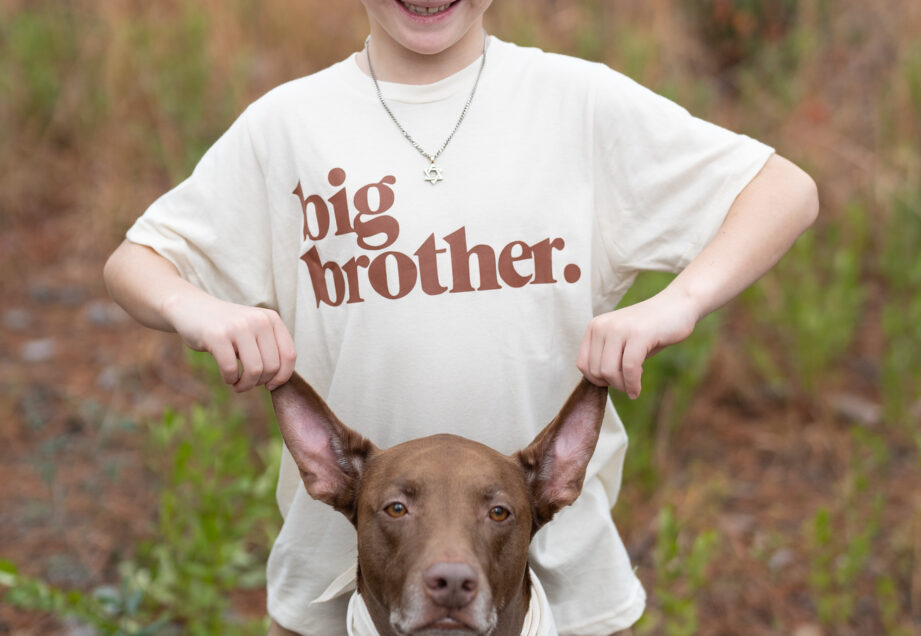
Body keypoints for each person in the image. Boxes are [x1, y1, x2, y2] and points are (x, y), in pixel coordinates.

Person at [103, 1, 818, 634]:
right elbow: (136, 263)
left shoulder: (576, 102)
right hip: (343, 585)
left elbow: (782, 190)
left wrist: (676, 303)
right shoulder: (288, 125)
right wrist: (198, 309)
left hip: (557, 586)